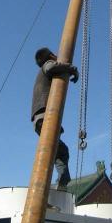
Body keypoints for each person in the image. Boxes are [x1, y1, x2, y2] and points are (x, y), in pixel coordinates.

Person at [31, 47, 79, 189]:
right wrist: (72, 69)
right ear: (51, 56)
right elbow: (51, 67)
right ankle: (43, 186)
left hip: (40, 118)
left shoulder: (41, 73)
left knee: (59, 150)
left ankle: (62, 183)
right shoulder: (47, 65)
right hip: (45, 116)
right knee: (49, 151)